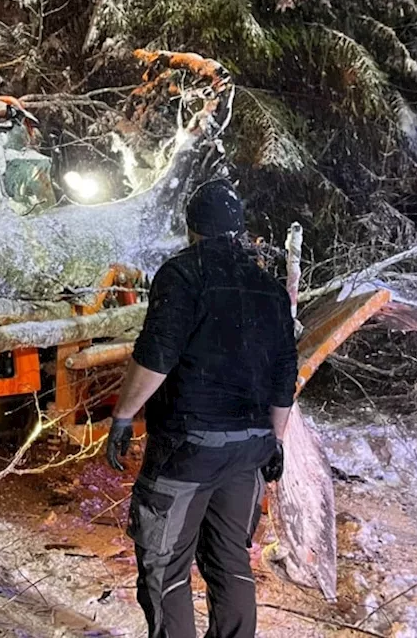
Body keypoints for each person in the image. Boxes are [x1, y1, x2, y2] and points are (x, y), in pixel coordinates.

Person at [104, 178, 298, 638]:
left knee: (166, 565)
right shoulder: (269, 287)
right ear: (239, 231)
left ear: (192, 228)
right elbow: (283, 377)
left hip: (189, 449)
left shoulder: (183, 274)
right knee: (231, 560)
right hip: (249, 450)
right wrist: (275, 442)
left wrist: (123, 416)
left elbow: (156, 355)